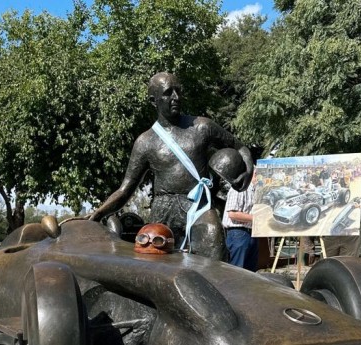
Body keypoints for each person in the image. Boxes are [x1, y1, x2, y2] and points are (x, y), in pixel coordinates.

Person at [89, 72, 253, 260]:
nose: (176, 97)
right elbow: (126, 189)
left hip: (198, 206)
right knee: (157, 264)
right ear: (154, 100)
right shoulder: (145, 142)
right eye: (168, 93)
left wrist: (247, 173)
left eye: (178, 91)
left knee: (214, 255)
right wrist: (98, 214)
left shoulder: (201, 126)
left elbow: (239, 146)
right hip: (163, 208)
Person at [221, 172, 258, 271]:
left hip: (251, 233)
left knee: (250, 273)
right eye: (257, 174)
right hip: (239, 233)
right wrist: (257, 218)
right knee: (237, 271)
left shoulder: (255, 191)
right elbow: (232, 214)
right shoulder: (239, 189)